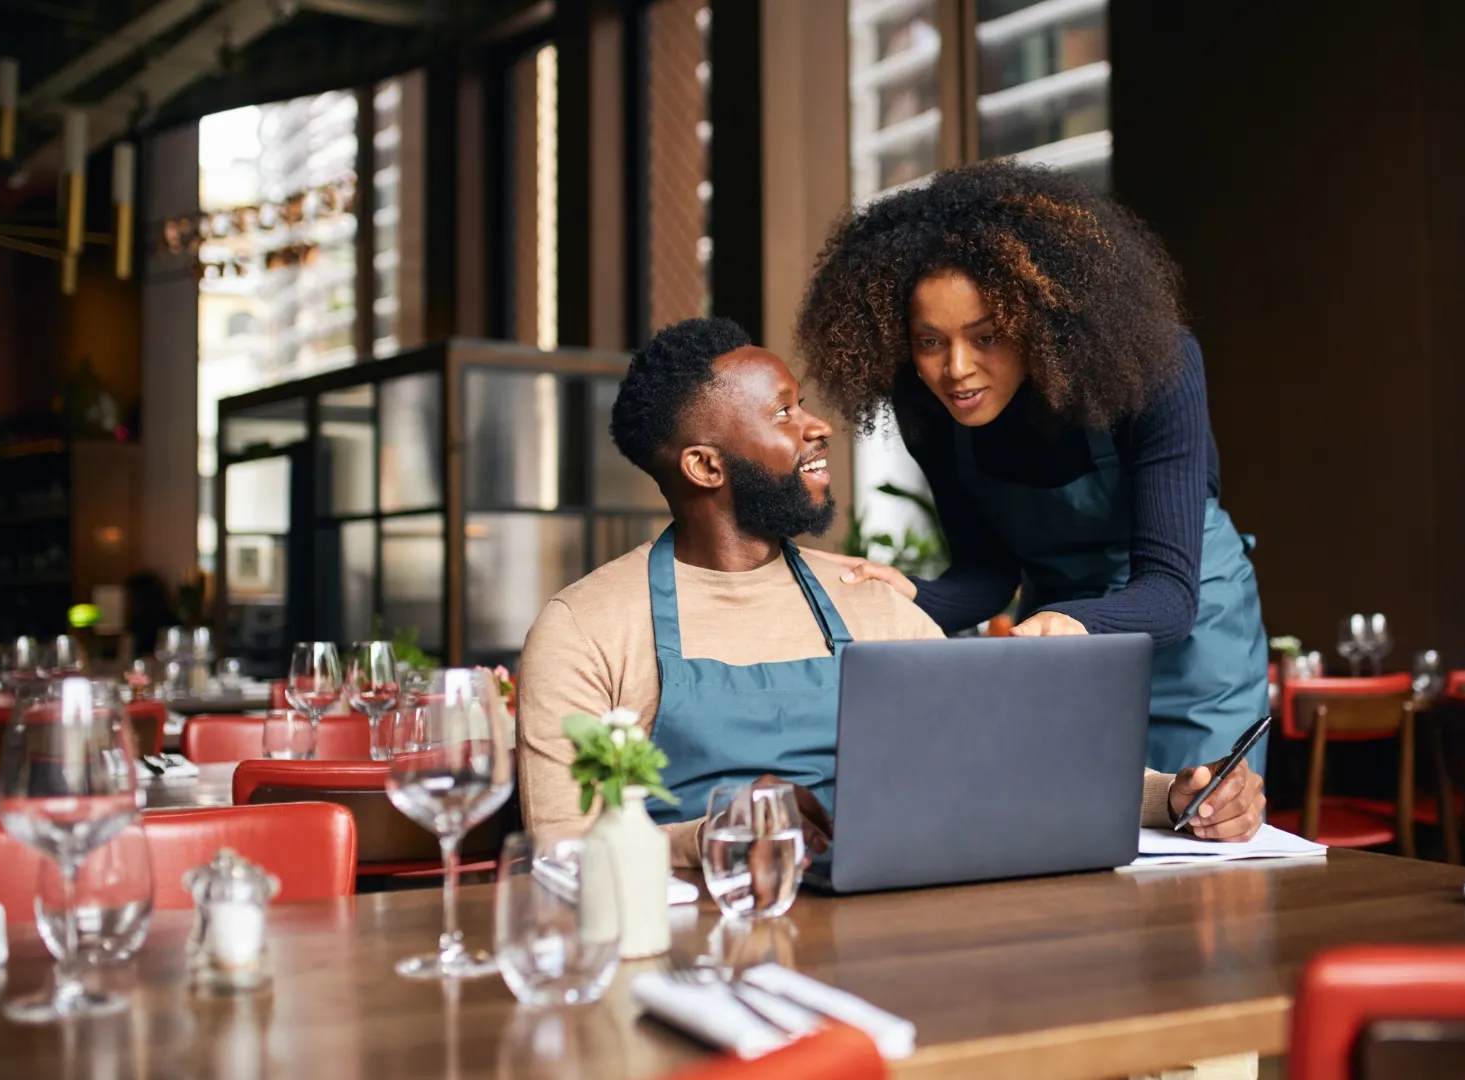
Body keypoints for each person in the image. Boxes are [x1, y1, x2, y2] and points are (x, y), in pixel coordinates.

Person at [516, 317, 1265, 866]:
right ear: (706, 467)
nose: (819, 428)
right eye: (783, 413)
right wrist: (707, 838)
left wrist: (1175, 797)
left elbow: (1005, 752)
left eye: (801, 402)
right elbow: (558, 844)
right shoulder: (586, 626)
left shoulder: (865, 600)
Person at [795, 160, 1269, 777]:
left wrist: (1068, 621)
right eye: (930, 340)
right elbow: (989, 571)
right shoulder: (930, 410)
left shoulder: (1158, 371)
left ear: (1040, 324)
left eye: (986, 336)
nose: (956, 368)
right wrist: (911, 597)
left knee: (1200, 837)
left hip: (1194, 641)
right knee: (1065, 834)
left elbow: (1169, 597)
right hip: (1056, 631)